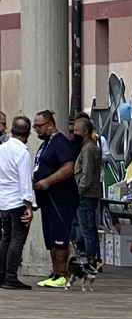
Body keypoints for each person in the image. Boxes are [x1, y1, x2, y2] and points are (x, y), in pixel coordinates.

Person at [31, 111, 78, 287]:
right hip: (47, 199)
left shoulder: (60, 142)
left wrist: (48, 181)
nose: (36, 129)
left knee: (60, 236)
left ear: (50, 124)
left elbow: (68, 167)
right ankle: (55, 273)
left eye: (39, 126)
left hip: (61, 199)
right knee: (50, 237)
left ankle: (63, 274)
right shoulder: (46, 144)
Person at [0, 116, 35, 290]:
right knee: (17, 239)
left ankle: (2, 274)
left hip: (4, 201)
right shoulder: (22, 153)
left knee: (5, 238)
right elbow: (25, 182)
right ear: (27, 134)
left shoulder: (2, 149)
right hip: (17, 201)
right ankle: (11, 276)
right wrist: (29, 205)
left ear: (12, 130)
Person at [70, 115, 103, 272]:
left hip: (86, 194)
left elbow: (87, 173)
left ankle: (91, 259)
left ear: (84, 132)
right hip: (89, 192)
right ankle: (94, 258)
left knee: (87, 229)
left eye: (76, 130)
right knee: (89, 228)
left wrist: (79, 190)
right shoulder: (87, 147)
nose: (73, 133)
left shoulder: (89, 149)